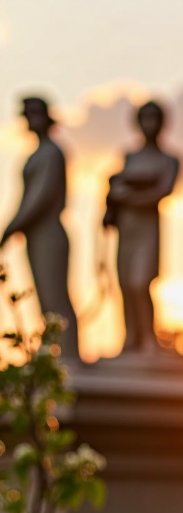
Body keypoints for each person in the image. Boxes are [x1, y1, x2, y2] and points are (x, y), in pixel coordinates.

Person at [0, 96, 79, 360]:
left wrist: (11, 228)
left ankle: (69, 356)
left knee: (55, 298)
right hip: (35, 236)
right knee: (45, 300)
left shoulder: (51, 152)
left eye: (34, 113)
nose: (30, 119)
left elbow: (41, 198)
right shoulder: (37, 153)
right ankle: (55, 355)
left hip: (49, 233)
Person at [103, 100, 180, 354]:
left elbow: (162, 191)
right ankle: (131, 337)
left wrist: (129, 197)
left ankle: (148, 337)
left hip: (148, 226)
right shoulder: (129, 156)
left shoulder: (170, 160)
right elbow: (114, 188)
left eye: (153, 118)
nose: (149, 124)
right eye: (144, 118)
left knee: (140, 282)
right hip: (128, 228)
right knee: (125, 283)